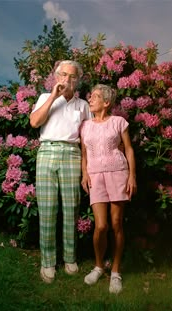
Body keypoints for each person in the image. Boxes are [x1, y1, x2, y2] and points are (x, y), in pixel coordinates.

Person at [30, 60, 92, 284]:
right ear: (56, 77)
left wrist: (86, 171)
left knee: (71, 208)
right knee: (47, 209)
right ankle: (48, 262)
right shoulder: (43, 98)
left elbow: (87, 141)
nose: (67, 79)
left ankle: (70, 257)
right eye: (63, 75)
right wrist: (52, 98)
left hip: (72, 154)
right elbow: (35, 122)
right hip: (47, 152)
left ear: (78, 80)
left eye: (72, 76)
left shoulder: (83, 105)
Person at [80, 84, 137, 294]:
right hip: (95, 176)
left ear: (106, 102)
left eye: (94, 96)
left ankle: (115, 271)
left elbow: (129, 149)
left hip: (118, 174)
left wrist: (132, 175)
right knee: (101, 226)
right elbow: (84, 155)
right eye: (90, 96)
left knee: (116, 224)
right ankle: (98, 265)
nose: (90, 99)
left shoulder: (119, 122)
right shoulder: (85, 126)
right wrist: (84, 174)